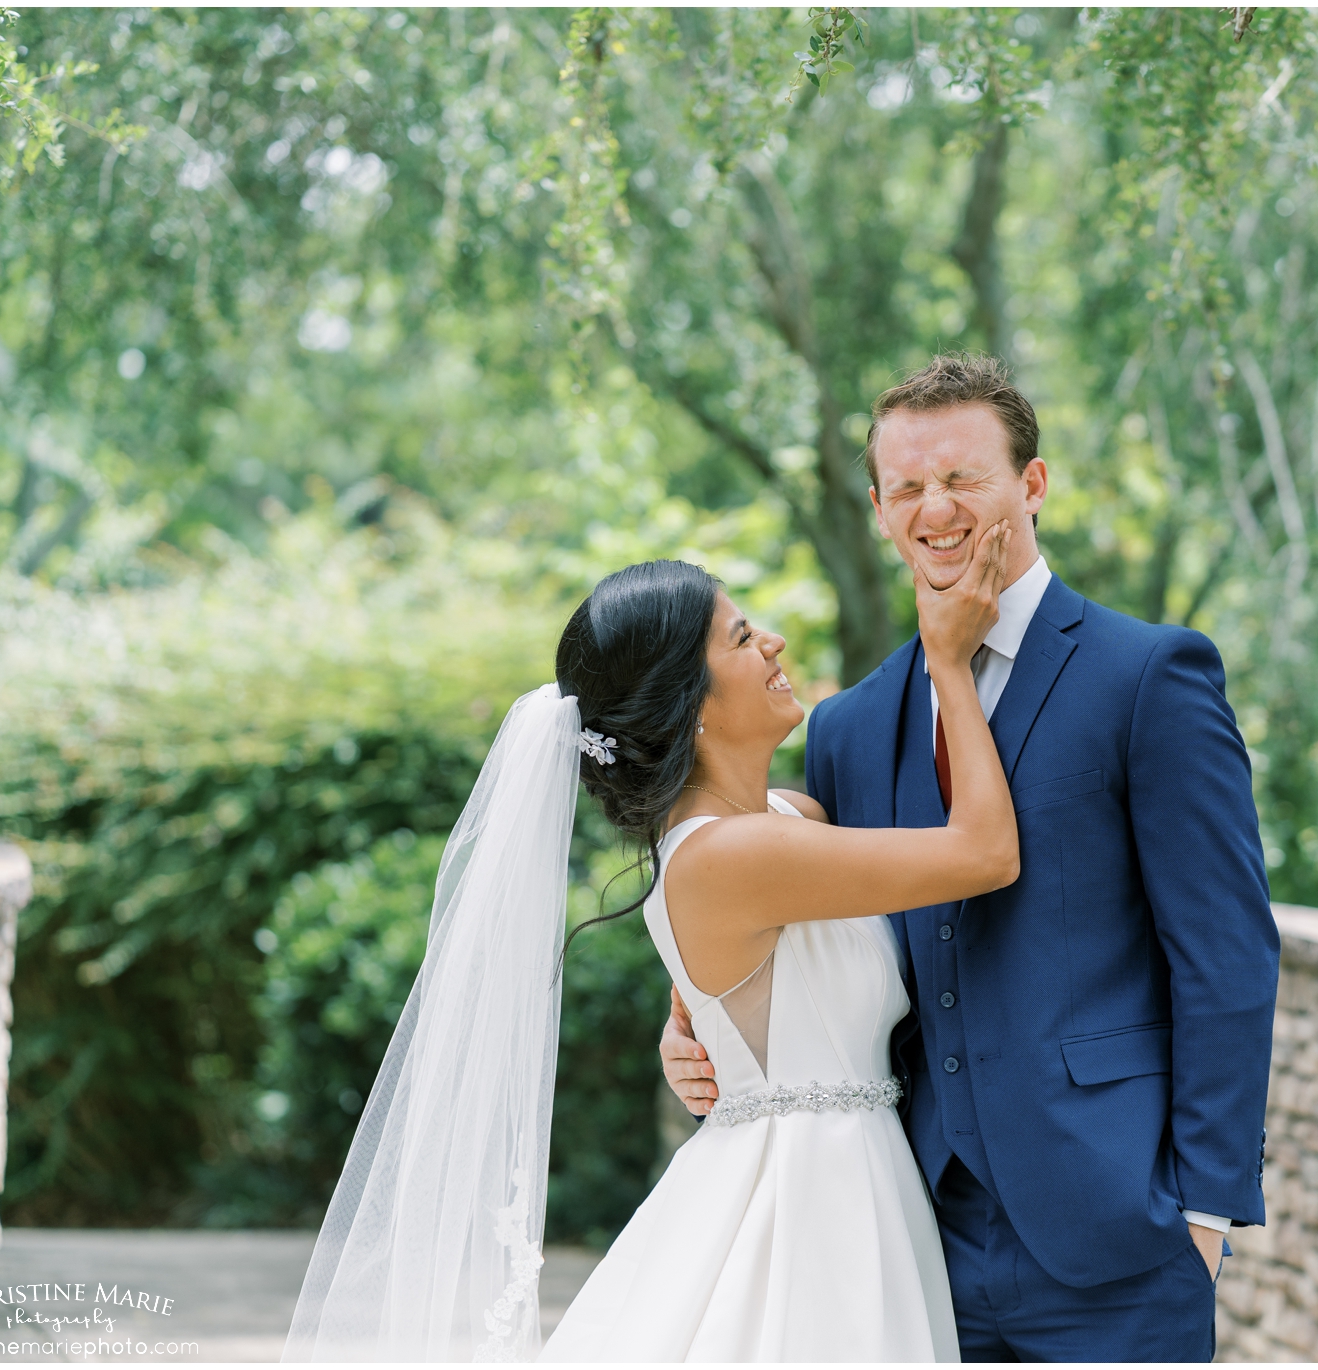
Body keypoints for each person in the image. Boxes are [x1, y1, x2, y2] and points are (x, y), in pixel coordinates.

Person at [663, 353, 1280, 1362]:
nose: (934, 508)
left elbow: (1224, 952)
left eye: (962, 478)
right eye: (905, 487)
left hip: (1117, 1229)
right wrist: (690, 1026)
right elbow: (766, 901)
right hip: (909, 1229)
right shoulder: (850, 726)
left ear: (1031, 485)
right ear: (875, 507)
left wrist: (1204, 1209)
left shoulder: (1148, 676)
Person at [285, 529, 1018, 1362]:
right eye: (742, 638)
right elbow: (986, 855)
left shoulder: (790, 821)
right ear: (691, 700)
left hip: (858, 1179)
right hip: (802, 1203)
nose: (773, 641)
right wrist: (950, 664)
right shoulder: (729, 856)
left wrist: (691, 1026)